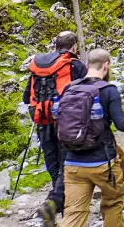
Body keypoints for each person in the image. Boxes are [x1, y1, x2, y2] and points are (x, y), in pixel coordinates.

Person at [59, 49, 124, 227]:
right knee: (112, 204)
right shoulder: (109, 90)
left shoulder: (70, 88)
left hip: (72, 164)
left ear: (87, 65)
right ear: (106, 66)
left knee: (74, 212)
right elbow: (121, 124)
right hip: (102, 163)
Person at [24, 31, 88, 225]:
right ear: (74, 47)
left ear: (55, 45)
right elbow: (87, 92)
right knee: (67, 163)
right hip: (66, 122)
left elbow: (26, 97)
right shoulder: (74, 65)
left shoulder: (40, 68)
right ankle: (54, 202)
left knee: (53, 164)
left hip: (42, 120)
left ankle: (55, 206)